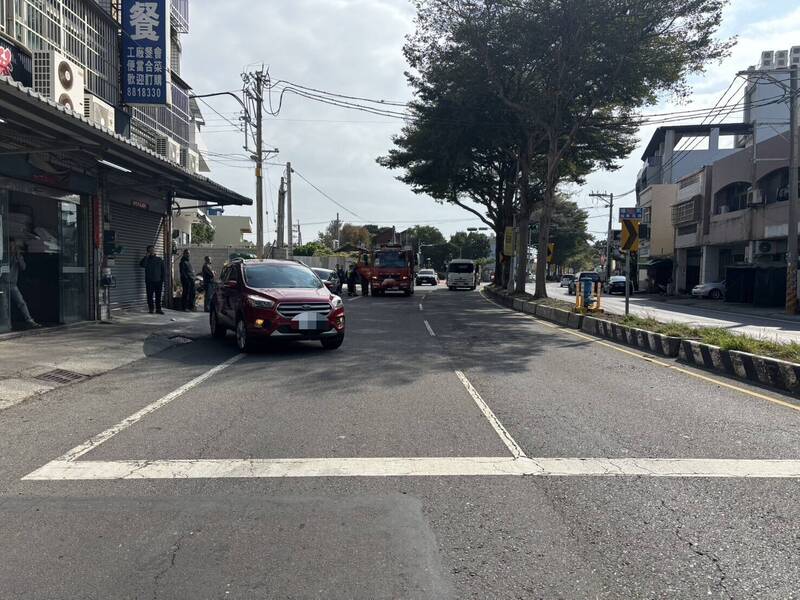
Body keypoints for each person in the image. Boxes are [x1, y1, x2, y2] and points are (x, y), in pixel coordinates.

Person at [7, 238, 39, 328]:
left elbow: (23, 267)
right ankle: (5, 323)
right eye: (9, 246)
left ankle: (29, 320)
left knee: (21, 302)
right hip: (3, 284)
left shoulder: (18, 256)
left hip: (13, 284)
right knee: (4, 304)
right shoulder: (4, 256)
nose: (11, 248)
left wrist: (18, 257)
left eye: (12, 246)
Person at [139, 245, 165, 314]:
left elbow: (163, 270)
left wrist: (162, 280)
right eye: (150, 250)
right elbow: (143, 265)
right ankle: (151, 309)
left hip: (158, 281)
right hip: (149, 281)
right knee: (149, 296)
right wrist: (146, 257)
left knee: (158, 296)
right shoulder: (146, 259)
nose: (151, 251)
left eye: (152, 250)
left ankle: (158, 309)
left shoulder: (159, 259)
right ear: (147, 251)